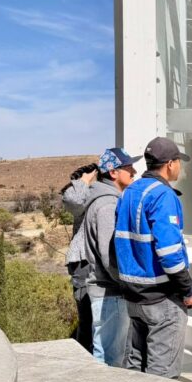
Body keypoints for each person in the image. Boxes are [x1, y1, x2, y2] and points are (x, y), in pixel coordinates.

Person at [114, 137, 192, 379]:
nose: (180, 167)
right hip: (162, 300)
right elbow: (170, 254)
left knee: (136, 371)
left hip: (134, 297)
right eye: (179, 161)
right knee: (162, 379)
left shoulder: (129, 192)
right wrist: (188, 290)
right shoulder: (163, 196)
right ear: (170, 164)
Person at [82, 147, 139, 366]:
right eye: (128, 167)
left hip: (107, 293)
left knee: (107, 356)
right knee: (110, 360)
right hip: (111, 294)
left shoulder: (105, 200)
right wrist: (129, 284)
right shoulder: (108, 204)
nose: (133, 171)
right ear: (113, 172)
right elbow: (110, 256)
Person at [60, 162, 98, 353]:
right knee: (87, 318)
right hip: (83, 262)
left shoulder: (102, 192)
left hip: (97, 261)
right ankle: (85, 358)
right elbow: (73, 201)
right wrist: (83, 181)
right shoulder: (81, 194)